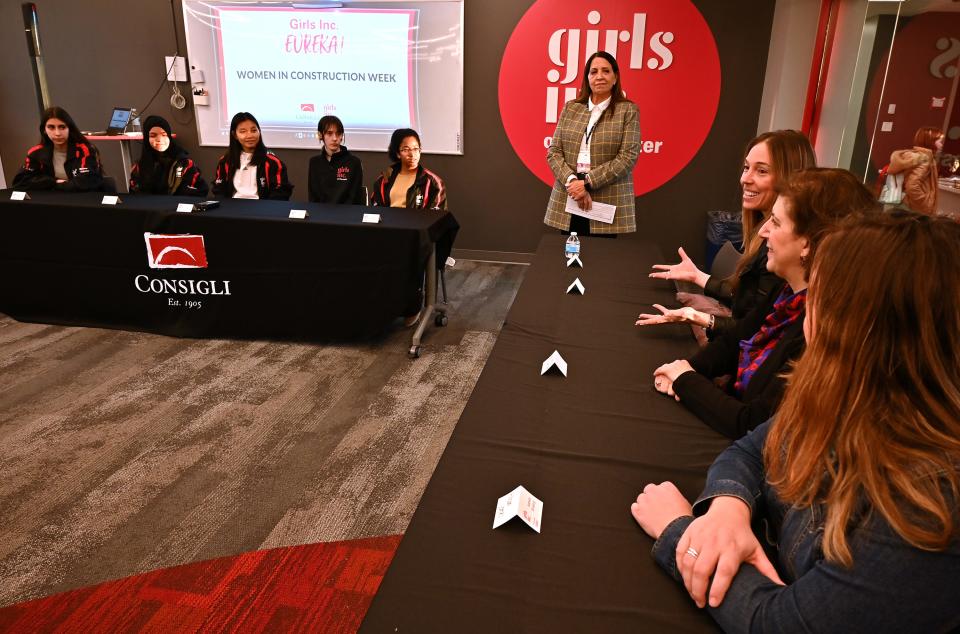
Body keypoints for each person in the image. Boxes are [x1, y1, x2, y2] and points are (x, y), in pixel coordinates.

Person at [630, 212, 960, 633]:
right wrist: (727, 511)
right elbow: (751, 449)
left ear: (859, 326)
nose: (807, 315)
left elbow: (779, 623)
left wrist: (681, 533)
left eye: (819, 297)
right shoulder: (842, 396)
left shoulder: (928, 506)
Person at [646, 169, 875, 439]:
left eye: (776, 223)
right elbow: (734, 341)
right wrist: (686, 369)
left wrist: (685, 379)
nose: (764, 230)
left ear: (808, 244)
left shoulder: (822, 327)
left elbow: (753, 423)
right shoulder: (786, 291)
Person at [643, 131, 816, 335]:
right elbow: (746, 300)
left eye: (761, 171)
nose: (745, 179)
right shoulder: (762, 232)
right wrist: (697, 277)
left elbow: (759, 331)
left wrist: (700, 318)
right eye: (746, 168)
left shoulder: (784, 253)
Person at [543, 51, 640, 236]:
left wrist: (587, 183)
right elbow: (554, 151)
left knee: (601, 259)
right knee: (571, 256)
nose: (599, 76)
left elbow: (628, 158)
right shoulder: (571, 108)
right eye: (593, 72)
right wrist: (574, 182)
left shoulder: (627, 110)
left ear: (615, 77)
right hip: (570, 192)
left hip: (607, 193)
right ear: (587, 78)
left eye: (606, 71)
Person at [12, 106, 105, 192]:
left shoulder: (85, 150)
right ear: (44, 130)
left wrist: (53, 185)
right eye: (51, 127)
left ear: (69, 128)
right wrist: (53, 182)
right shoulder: (35, 152)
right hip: (51, 201)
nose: (57, 133)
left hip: (83, 200)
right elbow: (20, 182)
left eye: (62, 127)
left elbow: (89, 181)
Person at [211, 112, 293, 200]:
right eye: (243, 131)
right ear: (235, 135)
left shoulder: (272, 162)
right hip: (232, 208)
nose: (249, 135)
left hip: (262, 209)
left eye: (254, 130)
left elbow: (281, 191)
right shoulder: (225, 161)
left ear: (259, 132)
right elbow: (219, 190)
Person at [129, 115, 208, 196]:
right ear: (146, 139)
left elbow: (197, 193)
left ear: (169, 136)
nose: (159, 140)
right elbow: (135, 195)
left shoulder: (185, 164)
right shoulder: (139, 167)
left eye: (164, 135)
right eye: (153, 136)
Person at [370, 128, 446, 209]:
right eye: (406, 149)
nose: (412, 154)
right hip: (389, 221)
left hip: (418, 221)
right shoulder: (384, 179)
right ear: (398, 153)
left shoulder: (432, 182)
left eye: (416, 149)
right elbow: (376, 210)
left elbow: (438, 215)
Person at [307, 115, 365, 205]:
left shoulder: (354, 162)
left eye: (338, 133)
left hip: (347, 215)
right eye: (329, 133)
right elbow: (313, 197)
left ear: (342, 136)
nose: (334, 138)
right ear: (320, 135)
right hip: (320, 215)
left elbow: (355, 197)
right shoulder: (314, 162)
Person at [888, 126, 943, 215]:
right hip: (912, 207)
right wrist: (924, 203)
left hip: (902, 203)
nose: (941, 145)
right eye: (939, 141)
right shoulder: (924, 158)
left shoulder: (914, 155)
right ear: (930, 142)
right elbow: (912, 186)